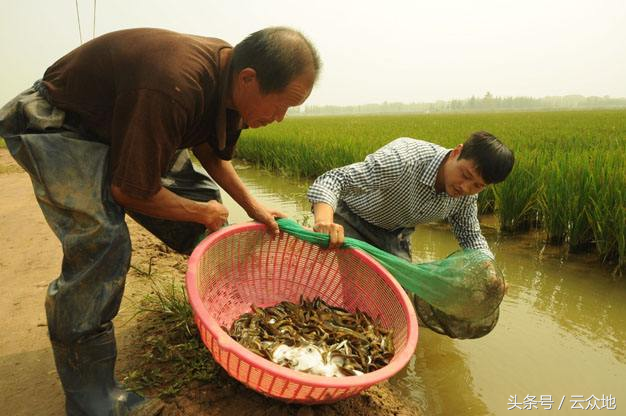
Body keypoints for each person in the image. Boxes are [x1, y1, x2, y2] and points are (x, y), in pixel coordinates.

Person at [0, 26, 320, 415]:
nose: (281, 118)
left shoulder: (225, 82)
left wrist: (252, 206)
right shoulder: (175, 83)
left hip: (119, 124)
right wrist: (202, 213)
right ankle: (92, 398)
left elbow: (207, 144)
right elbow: (130, 190)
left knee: (202, 201)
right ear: (248, 79)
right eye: (282, 105)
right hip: (61, 123)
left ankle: (223, 316)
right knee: (102, 243)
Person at [307, 132, 514, 338]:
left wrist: (489, 273)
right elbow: (334, 180)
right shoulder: (404, 159)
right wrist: (324, 221)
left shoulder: (466, 197)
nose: (465, 187)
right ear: (457, 152)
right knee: (358, 290)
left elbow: (470, 236)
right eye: (465, 175)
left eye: (477, 185)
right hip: (352, 220)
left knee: (398, 299)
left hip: (396, 234)